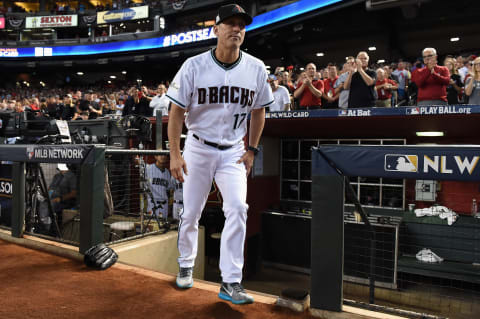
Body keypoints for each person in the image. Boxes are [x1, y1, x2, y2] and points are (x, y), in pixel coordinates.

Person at [167, 3, 273, 305]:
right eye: (230, 23)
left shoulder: (255, 67)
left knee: (238, 208)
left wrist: (251, 149)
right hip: (198, 147)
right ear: (216, 30)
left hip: (233, 152)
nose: (237, 29)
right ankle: (186, 264)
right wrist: (175, 154)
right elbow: (175, 114)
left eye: (241, 25)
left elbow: (259, 112)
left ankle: (231, 281)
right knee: (190, 212)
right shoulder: (193, 65)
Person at [145, 155, 172, 220]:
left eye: (164, 155)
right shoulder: (148, 168)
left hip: (164, 205)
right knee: (152, 225)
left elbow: (168, 190)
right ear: (155, 156)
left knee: (163, 226)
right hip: (152, 204)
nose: (163, 157)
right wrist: (134, 154)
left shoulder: (167, 172)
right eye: (160, 155)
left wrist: (169, 206)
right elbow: (138, 162)